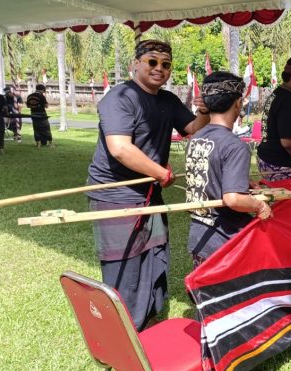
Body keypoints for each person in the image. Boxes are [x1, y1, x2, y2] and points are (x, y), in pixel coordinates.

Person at [85, 39, 211, 331]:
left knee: (154, 254)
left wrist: (204, 111)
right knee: (124, 264)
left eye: (165, 64)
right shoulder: (119, 97)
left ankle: (150, 317)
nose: (159, 69)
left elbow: (193, 129)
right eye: (152, 62)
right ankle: (124, 329)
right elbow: (120, 148)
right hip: (115, 194)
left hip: (149, 193)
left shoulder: (168, 100)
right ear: (135, 64)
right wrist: (161, 173)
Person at [186, 71, 272, 268]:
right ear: (238, 103)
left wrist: (242, 182)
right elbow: (233, 199)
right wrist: (260, 206)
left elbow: (210, 174)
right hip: (226, 241)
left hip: (200, 235)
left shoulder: (196, 138)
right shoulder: (235, 146)